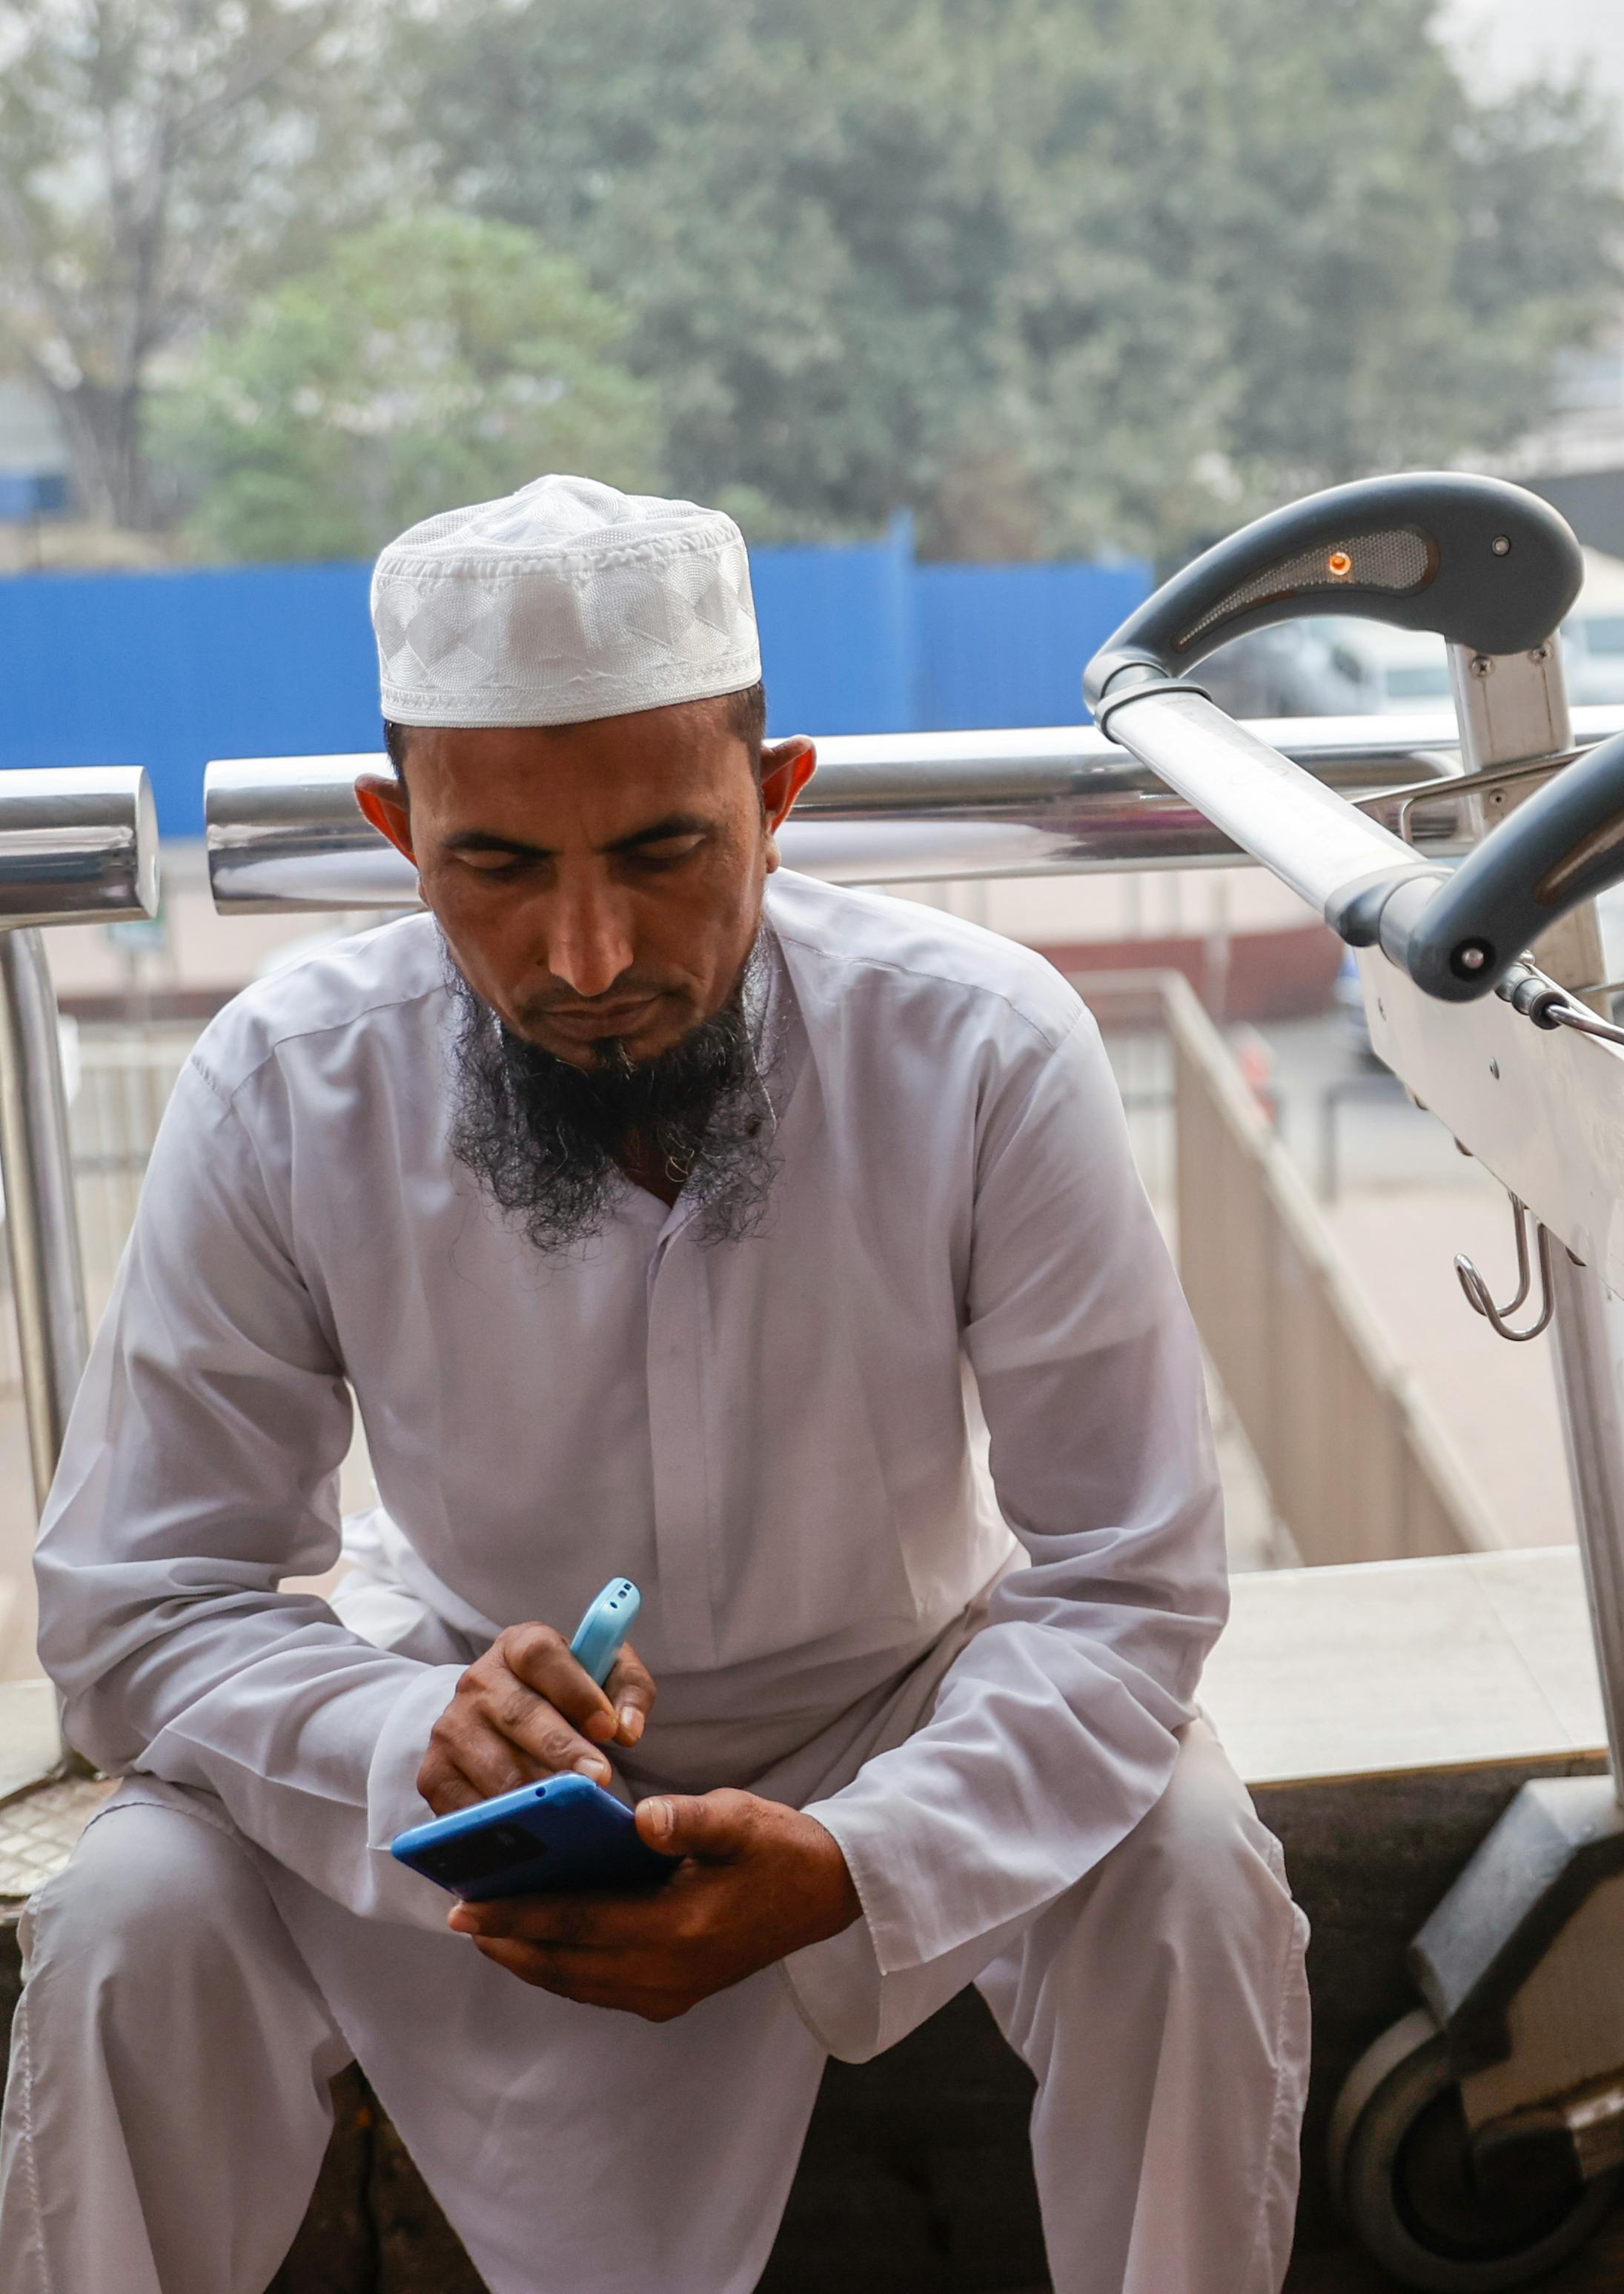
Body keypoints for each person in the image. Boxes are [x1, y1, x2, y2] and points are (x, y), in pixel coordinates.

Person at [2, 475, 1309, 2294]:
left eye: (663, 853)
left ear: (777, 807)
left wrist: (859, 1858)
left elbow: (1129, 1582)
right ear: (400, 832)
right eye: (501, 869)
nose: (588, 960)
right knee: (128, 1930)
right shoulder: (286, 1085)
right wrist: (411, 1743)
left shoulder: (987, 1051)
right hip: (465, 1759)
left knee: (1194, 1887)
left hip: (897, 1710)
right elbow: (138, 1606)